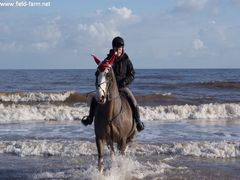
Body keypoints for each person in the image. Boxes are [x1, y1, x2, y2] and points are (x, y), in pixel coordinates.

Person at [81, 36, 144, 132]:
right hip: (109, 88)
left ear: (122, 49)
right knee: (95, 98)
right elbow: (101, 72)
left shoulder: (126, 60)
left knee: (134, 102)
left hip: (122, 87)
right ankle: (90, 118)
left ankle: (138, 121)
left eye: (119, 49)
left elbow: (131, 74)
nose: (118, 51)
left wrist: (124, 82)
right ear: (113, 48)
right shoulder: (108, 60)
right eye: (116, 49)